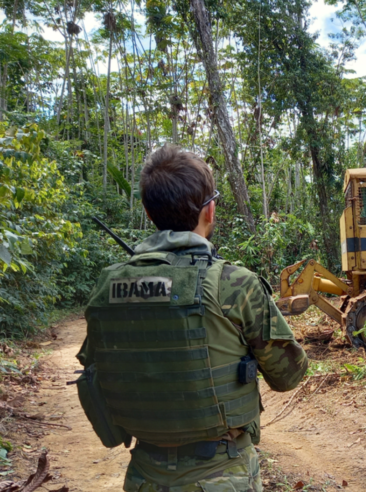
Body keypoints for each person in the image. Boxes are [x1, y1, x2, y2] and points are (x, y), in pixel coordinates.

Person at [77, 144, 308, 492]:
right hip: (223, 474)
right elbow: (289, 374)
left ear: (147, 211)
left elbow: (97, 374)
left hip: (144, 477)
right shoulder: (234, 283)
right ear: (210, 210)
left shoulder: (107, 285)